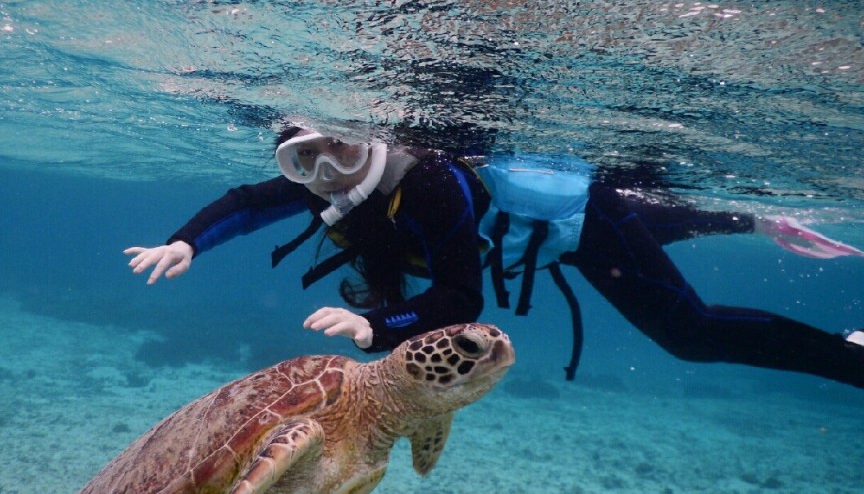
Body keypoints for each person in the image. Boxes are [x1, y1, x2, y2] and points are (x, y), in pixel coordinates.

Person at [125, 127, 864, 389]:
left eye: (340, 150)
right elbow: (248, 204)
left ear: (368, 138)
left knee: (689, 334)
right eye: (302, 164)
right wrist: (185, 239)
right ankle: (754, 220)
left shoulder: (433, 186)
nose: (327, 176)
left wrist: (375, 329)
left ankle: (849, 356)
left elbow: (461, 303)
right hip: (535, 240)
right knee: (642, 229)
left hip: (575, 224)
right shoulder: (323, 186)